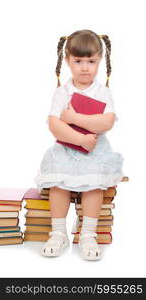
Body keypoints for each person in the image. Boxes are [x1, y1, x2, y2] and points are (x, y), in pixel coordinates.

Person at [34, 29, 124, 261]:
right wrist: (80, 138)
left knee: (93, 185)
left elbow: (107, 121)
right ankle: (58, 232)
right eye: (78, 61)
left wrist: (74, 119)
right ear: (67, 61)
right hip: (66, 150)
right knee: (58, 185)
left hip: (95, 153)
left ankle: (88, 234)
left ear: (100, 61)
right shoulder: (62, 92)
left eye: (91, 61)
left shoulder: (103, 92)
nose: (85, 67)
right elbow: (54, 124)